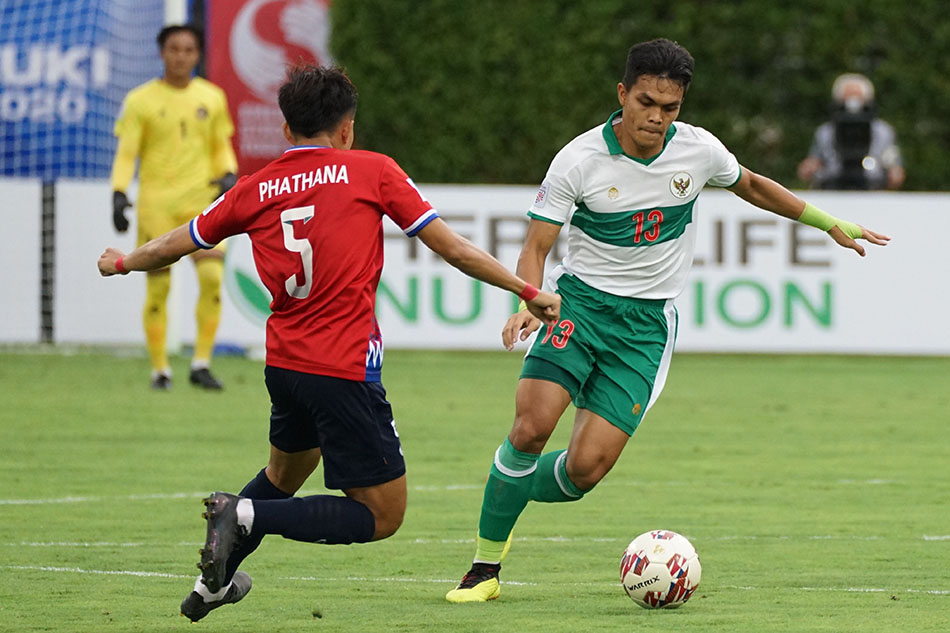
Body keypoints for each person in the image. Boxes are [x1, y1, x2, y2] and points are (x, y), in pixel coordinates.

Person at [98, 64, 560, 622]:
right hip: (342, 370)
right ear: (346, 129)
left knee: (283, 476)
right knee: (381, 516)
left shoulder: (254, 189)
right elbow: (454, 249)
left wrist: (123, 262)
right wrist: (525, 289)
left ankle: (210, 585)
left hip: (286, 368)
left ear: (287, 131)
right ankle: (243, 516)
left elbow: (180, 240)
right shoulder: (371, 171)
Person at [444, 38, 890, 603]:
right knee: (531, 428)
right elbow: (536, 245)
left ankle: (502, 482)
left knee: (584, 472)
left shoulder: (697, 151)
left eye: (670, 107)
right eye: (647, 102)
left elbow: (751, 185)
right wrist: (526, 299)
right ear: (623, 94)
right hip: (578, 308)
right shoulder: (578, 160)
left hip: (646, 329)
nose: (656, 117)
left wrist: (827, 221)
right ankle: (484, 570)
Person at [110, 24, 238, 391]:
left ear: (197, 55)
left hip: (200, 203)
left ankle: (201, 363)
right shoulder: (140, 100)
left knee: (212, 280)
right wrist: (118, 192)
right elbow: (127, 153)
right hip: (157, 205)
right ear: (161, 53)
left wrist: (228, 173)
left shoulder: (212, 97)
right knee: (158, 290)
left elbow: (220, 146)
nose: (181, 56)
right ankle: (160, 370)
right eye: (174, 49)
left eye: (188, 50)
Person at [797, 73, 905, 190]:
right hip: (833, 188)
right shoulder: (825, 132)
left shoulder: (884, 131)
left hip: (872, 188)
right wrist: (809, 167)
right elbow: (813, 161)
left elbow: (894, 165)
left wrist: (894, 172)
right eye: (848, 97)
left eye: (857, 97)